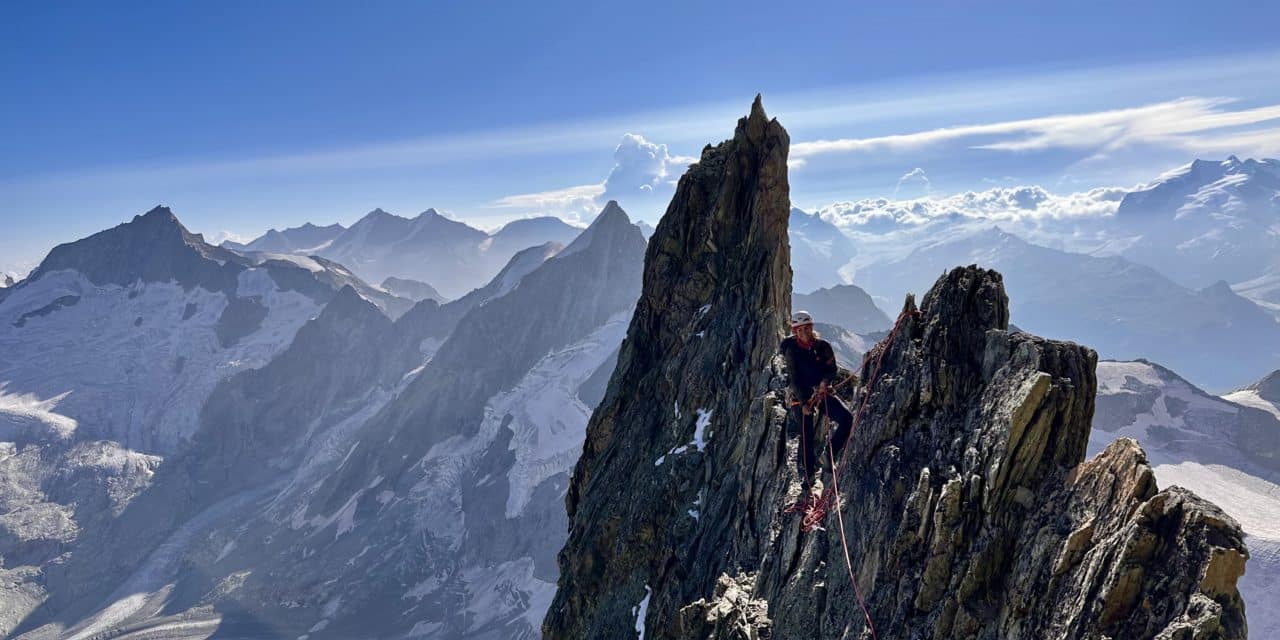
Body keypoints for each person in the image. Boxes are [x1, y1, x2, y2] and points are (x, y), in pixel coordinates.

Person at [779, 310, 854, 499]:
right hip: (801, 395)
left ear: (812, 327)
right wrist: (804, 403)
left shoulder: (823, 347)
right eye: (799, 329)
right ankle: (808, 476)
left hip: (820, 392)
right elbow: (794, 379)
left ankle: (829, 455)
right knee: (807, 435)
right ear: (795, 331)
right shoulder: (792, 350)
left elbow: (831, 369)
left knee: (847, 419)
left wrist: (824, 383)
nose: (804, 332)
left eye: (807, 328)